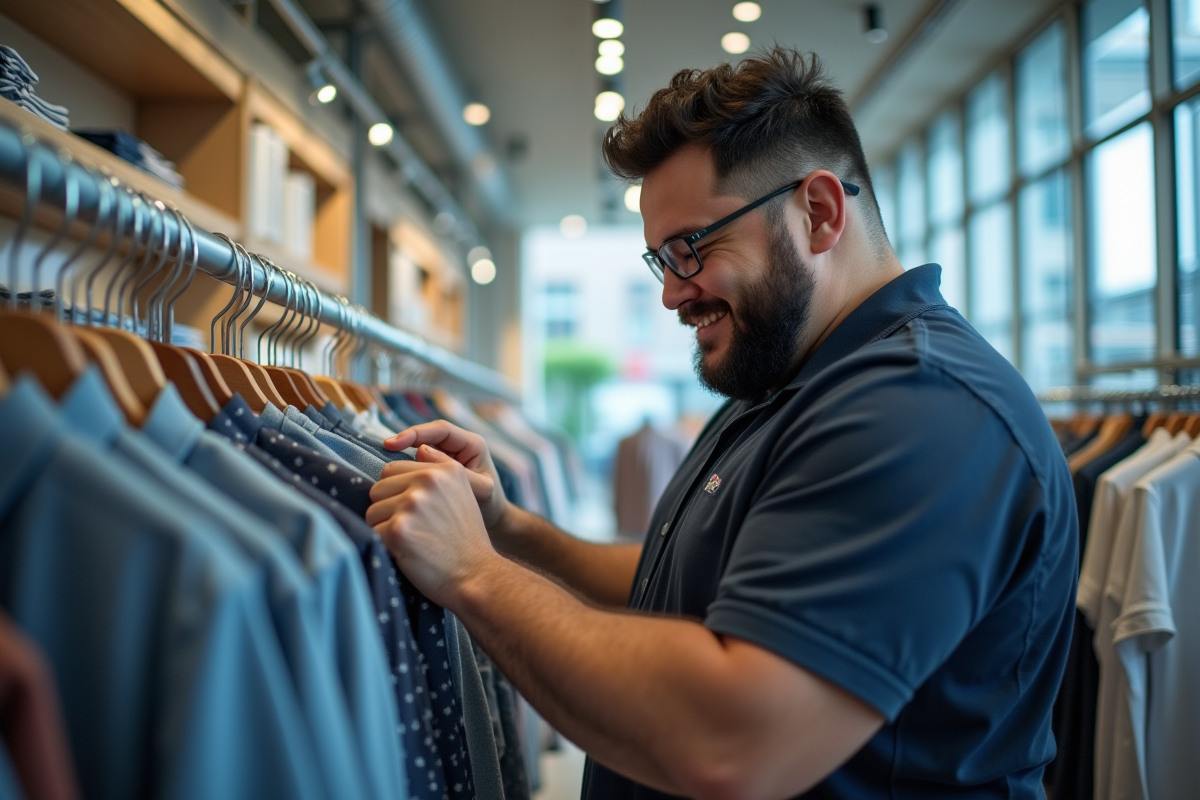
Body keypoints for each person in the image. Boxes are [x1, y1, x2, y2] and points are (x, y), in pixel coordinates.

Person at [367, 48, 1077, 800]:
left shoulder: (921, 407)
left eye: (692, 248)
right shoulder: (786, 377)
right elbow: (682, 582)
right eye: (660, 260)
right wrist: (508, 529)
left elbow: (732, 740)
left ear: (820, 211)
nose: (673, 295)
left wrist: (474, 575)